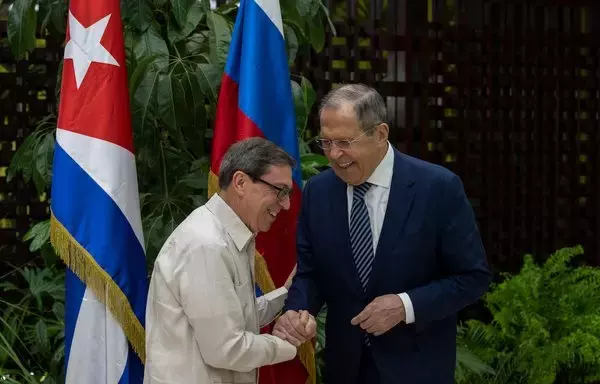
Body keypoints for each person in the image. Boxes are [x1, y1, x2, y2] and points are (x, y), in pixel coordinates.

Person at [273, 84, 492, 383]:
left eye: (345, 142)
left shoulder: (437, 188)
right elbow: (311, 272)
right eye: (326, 142)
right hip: (345, 369)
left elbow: (472, 277)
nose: (335, 155)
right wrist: (297, 311)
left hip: (416, 369)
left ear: (380, 134)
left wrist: (405, 306)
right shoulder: (318, 192)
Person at [144, 137, 306, 384]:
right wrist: (288, 344)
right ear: (240, 182)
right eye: (279, 191)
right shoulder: (206, 245)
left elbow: (235, 315)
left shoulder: (229, 235)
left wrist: (286, 294)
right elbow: (227, 349)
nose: (286, 204)